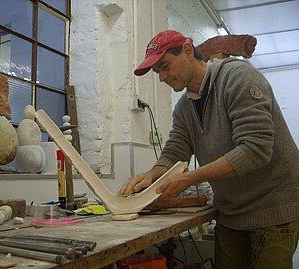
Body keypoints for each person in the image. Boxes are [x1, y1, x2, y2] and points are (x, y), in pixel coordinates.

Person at [118, 30, 299, 269]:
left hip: (272, 207)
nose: (161, 77)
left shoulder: (237, 77)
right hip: (231, 214)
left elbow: (256, 148)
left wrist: (191, 178)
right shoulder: (184, 107)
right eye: (157, 72)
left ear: (187, 49)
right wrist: (151, 175)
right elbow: (175, 153)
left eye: (165, 66)